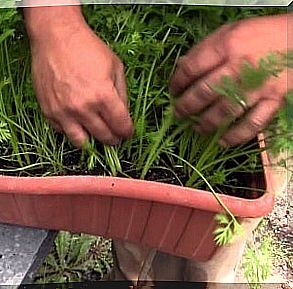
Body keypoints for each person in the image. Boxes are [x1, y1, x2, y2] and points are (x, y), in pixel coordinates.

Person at [22, 4, 291, 286]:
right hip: (126, 32)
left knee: (206, 250)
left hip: (270, 67)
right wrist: (54, 19)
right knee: (133, 230)